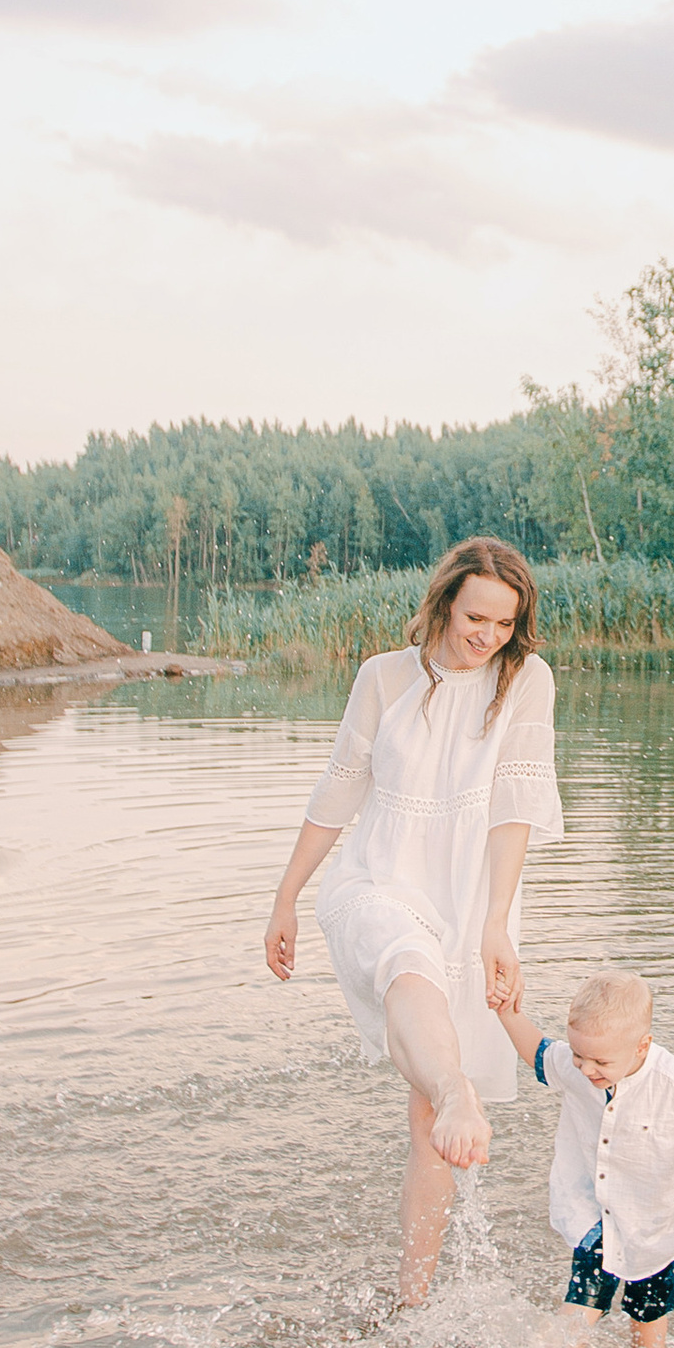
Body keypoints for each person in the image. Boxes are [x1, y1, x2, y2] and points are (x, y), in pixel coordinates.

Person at [263, 538, 563, 1303]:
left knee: (427, 1120)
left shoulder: (525, 681)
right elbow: (339, 789)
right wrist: (286, 896)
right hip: (376, 872)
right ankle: (457, 1088)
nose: (488, 634)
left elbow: (514, 809)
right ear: (444, 602)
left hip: (468, 894)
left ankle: (411, 1299)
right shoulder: (384, 677)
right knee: (404, 958)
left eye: (504, 622)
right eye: (475, 616)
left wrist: (495, 923)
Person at [498, 967, 674, 1348]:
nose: (586, 1069)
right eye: (578, 1055)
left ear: (641, 1047)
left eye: (599, 1061)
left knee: (649, 1326)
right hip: (597, 1217)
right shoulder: (582, 1066)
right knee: (580, 1311)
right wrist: (507, 1012)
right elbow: (538, 1052)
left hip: (658, 1226)